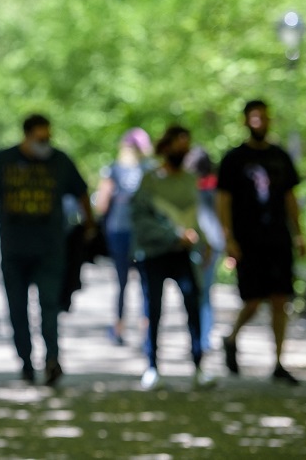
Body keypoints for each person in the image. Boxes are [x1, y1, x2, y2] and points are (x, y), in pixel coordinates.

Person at [0, 114, 96, 386]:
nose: (46, 144)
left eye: (48, 139)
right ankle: (26, 363)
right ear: (27, 136)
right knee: (16, 309)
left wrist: (90, 227)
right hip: (13, 250)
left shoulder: (60, 162)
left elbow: (81, 192)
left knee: (49, 306)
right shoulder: (3, 161)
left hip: (50, 249)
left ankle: (52, 360)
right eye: (41, 139)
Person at [218, 99, 306, 384]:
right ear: (245, 121)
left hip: (278, 237)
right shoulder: (233, 159)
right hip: (248, 240)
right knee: (253, 300)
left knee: (280, 298)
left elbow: (290, 197)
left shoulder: (280, 156)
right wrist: (228, 238)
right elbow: (223, 200)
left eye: (264, 118)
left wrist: (299, 233)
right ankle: (231, 339)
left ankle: (279, 362)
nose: (259, 122)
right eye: (254, 118)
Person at [130, 125, 214, 391]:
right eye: (178, 144)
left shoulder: (190, 180)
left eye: (186, 145)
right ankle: (152, 366)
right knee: (153, 309)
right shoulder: (149, 180)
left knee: (193, 305)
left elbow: (195, 217)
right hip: (154, 255)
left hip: (183, 256)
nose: (183, 150)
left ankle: (199, 365)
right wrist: (173, 235)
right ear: (165, 147)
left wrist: (205, 241)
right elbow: (141, 220)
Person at [94, 127, 153, 346]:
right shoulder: (150, 170)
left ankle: (118, 329)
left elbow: (102, 203)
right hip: (144, 232)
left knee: (121, 282)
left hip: (118, 231)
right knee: (146, 283)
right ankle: (147, 332)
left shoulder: (114, 169)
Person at [185, 145, 227, 353]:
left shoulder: (196, 187)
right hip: (213, 242)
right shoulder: (216, 185)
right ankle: (203, 336)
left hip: (201, 242)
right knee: (205, 291)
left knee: (200, 291)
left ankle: (201, 336)